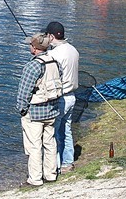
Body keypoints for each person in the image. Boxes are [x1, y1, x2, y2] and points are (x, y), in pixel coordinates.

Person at [15, 32, 61, 187]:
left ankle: (35, 179)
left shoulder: (32, 66)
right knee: (50, 143)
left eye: (30, 44)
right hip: (52, 110)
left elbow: (24, 92)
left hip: (35, 113)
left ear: (34, 48)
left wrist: (22, 110)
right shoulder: (55, 62)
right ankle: (51, 174)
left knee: (34, 146)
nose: (29, 46)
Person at [44, 22, 79, 174]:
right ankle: (68, 162)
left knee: (52, 133)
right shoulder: (73, 50)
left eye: (47, 36)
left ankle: (55, 166)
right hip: (72, 96)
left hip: (60, 98)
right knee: (67, 130)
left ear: (51, 36)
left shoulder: (53, 55)